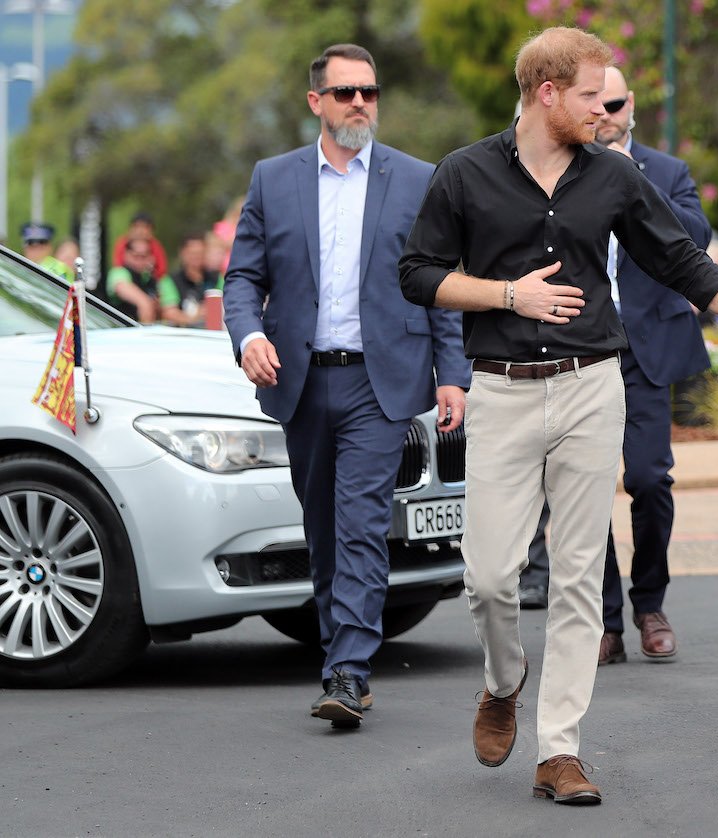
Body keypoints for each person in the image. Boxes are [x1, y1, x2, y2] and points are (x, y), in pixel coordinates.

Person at [398, 26, 718, 805]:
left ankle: (560, 751)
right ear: (547, 95)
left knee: (577, 578)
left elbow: (681, 259)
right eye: (588, 96)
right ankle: (502, 679)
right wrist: (511, 295)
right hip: (502, 389)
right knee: (488, 577)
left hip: (590, 385)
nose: (604, 109)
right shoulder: (464, 173)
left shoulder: (611, 176)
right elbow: (418, 274)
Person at [222, 43, 470, 728]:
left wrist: (453, 374)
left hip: (378, 382)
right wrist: (250, 337)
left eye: (369, 92)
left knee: (361, 522)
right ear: (316, 103)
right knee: (323, 528)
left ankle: (349, 671)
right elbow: (242, 278)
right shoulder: (274, 181)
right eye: (345, 93)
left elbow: (438, 285)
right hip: (301, 382)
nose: (360, 103)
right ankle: (340, 653)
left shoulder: (416, 179)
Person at [515, 64, 714, 669]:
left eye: (616, 102)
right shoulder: (555, 168)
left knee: (650, 479)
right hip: (578, 344)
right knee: (583, 488)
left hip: (646, 350)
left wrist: (627, 181)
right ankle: (604, 621)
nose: (606, 113)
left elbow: (695, 237)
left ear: (633, 107)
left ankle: (649, 603)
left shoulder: (666, 171)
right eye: (595, 101)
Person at [159, 233, 223, 327]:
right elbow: (169, 312)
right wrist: (194, 317)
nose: (196, 257)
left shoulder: (217, 278)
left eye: (200, 253)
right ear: (182, 253)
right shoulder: (170, 281)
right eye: (192, 253)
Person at [105, 237, 162, 322]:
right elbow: (144, 304)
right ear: (126, 254)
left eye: (143, 256)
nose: (139, 261)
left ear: (151, 257)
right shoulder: (119, 272)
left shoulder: (149, 279)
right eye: (135, 256)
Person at [111, 212, 169, 279]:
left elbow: (162, 270)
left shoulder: (155, 246)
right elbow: (118, 265)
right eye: (137, 226)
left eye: (145, 227)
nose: (140, 231)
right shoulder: (123, 243)